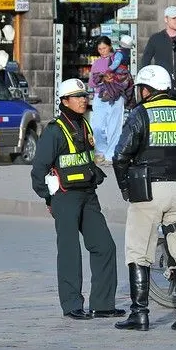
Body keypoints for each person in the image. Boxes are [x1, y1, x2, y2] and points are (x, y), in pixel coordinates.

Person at [112, 65, 176, 333]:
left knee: (138, 251)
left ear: (146, 89)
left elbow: (120, 155)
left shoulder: (141, 113)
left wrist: (126, 188)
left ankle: (140, 314)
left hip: (146, 191)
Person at [30, 78, 125, 321]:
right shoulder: (54, 130)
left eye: (84, 96)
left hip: (88, 195)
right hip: (65, 197)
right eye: (77, 96)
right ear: (64, 101)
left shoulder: (85, 125)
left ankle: (102, 304)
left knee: (105, 246)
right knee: (70, 251)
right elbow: (38, 169)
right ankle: (72, 304)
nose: (83, 100)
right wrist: (49, 198)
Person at [141, 5, 176, 98]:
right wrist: (146, 84)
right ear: (166, 19)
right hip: (160, 84)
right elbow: (145, 61)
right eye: (173, 18)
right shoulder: (156, 38)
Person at [88, 36, 126, 166]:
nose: (102, 51)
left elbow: (123, 76)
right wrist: (102, 79)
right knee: (97, 126)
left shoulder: (118, 58)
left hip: (116, 95)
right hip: (100, 96)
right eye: (99, 49)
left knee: (114, 127)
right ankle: (101, 152)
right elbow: (92, 83)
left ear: (109, 46)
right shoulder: (97, 63)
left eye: (104, 48)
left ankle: (110, 155)